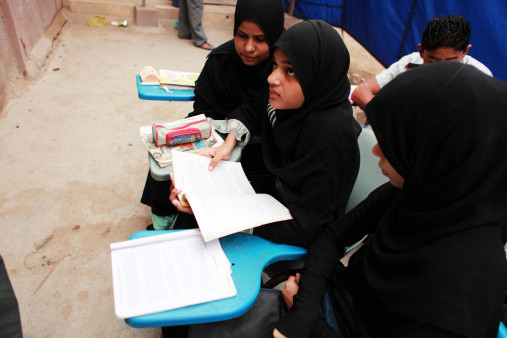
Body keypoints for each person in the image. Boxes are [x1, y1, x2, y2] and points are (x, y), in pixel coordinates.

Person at [274, 62, 507, 337]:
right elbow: (334, 236)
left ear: (438, 151)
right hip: (334, 305)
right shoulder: (417, 192)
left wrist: (309, 325)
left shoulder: (463, 296)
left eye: (397, 142)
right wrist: (304, 310)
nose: (375, 150)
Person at [170, 20, 361, 248]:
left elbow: (310, 228)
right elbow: (254, 108)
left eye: (290, 70)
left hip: (299, 227)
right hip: (274, 194)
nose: (272, 78)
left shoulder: (331, 140)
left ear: (317, 77)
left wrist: (230, 219)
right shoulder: (292, 104)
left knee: (201, 222)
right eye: (275, 65)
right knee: (195, 199)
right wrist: (229, 142)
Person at [141, 0, 285, 230]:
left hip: (261, 151)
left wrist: (234, 130)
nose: (248, 47)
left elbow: (266, 109)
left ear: (275, 35)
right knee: (171, 154)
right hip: (215, 135)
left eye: (260, 39)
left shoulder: (283, 67)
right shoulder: (222, 60)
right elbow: (202, 112)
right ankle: (163, 212)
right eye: (241, 35)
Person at [351, 15, 493, 110]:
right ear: (421, 51)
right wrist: (382, 118)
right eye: (432, 62)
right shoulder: (411, 63)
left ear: (465, 52)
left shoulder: (481, 78)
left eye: (451, 63)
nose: (441, 71)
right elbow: (361, 91)